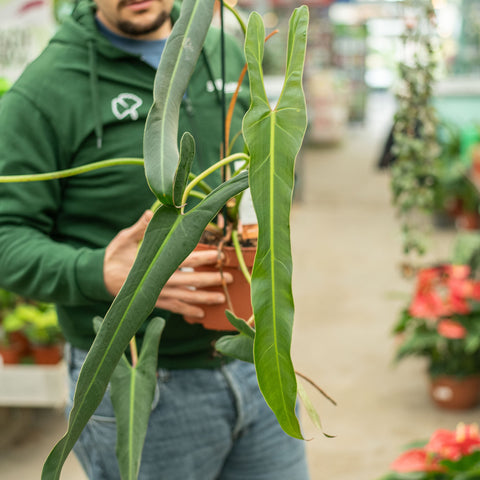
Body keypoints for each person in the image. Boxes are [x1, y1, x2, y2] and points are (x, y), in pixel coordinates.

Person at [0, 0, 310, 479]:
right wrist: (99, 271)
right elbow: (7, 238)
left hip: (252, 357)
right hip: (143, 377)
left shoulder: (220, 47)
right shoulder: (46, 89)